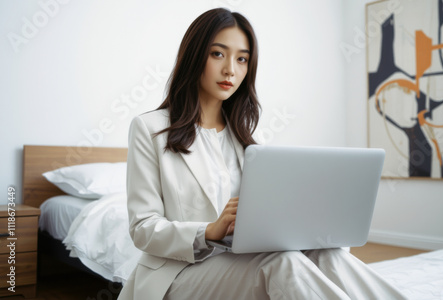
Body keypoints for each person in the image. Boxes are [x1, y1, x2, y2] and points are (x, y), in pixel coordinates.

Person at [118, 8, 406, 300]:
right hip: (177, 274)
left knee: (328, 254)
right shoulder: (150, 128)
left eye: (242, 59)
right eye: (218, 54)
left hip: (242, 260)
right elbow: (143, 228)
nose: (231, 69)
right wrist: (208, 230)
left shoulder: (249, 142)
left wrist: (312, 230)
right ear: (195, 56)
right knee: (282, 264)